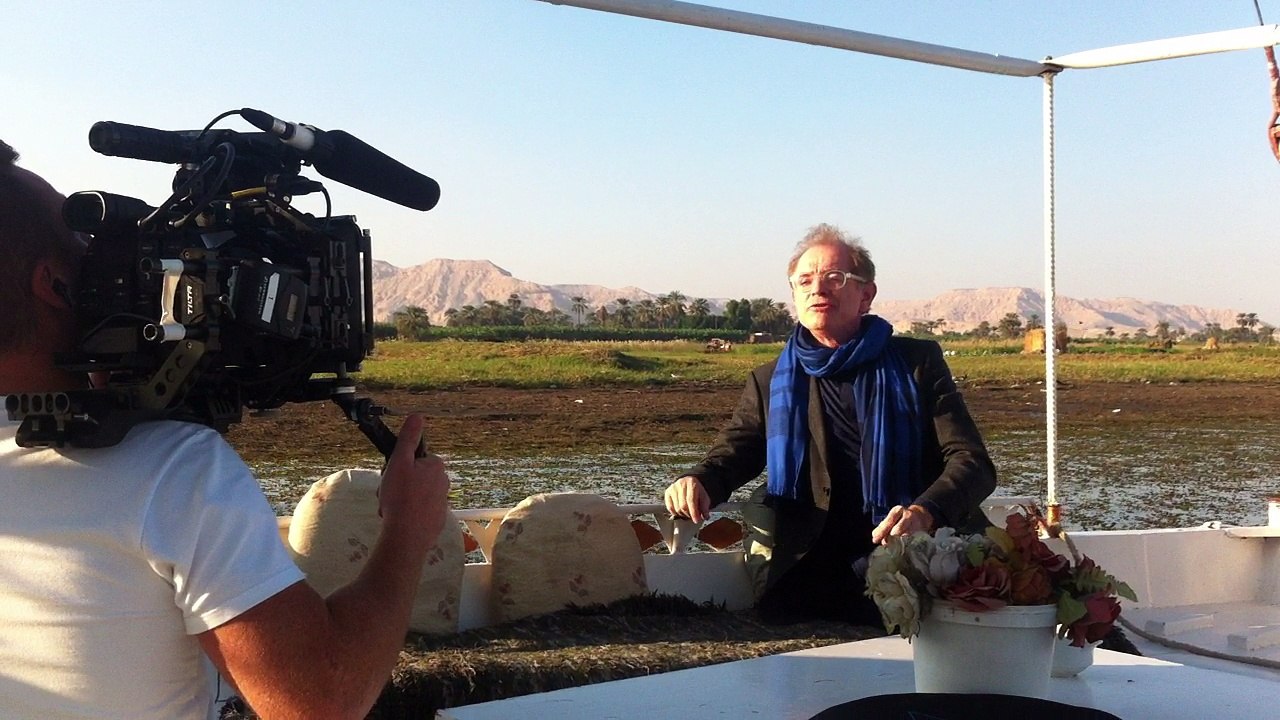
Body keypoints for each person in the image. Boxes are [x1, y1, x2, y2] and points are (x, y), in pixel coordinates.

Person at [0, 140, 452, 719]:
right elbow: (320, 703)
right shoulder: (169, 473)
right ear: (54, 285)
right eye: (84, 248)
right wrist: (409, 533)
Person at [664, 224, 995, 625]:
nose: (817, 289)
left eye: (834, 278)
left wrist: (925, 512)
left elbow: (972, 462)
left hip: (910, 557)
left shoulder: (916, 364)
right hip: (809, 569)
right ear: (794, 295)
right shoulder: (770, 380)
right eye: (804, 280)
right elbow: (738, 452)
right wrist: (697, 481)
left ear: (866, 295)